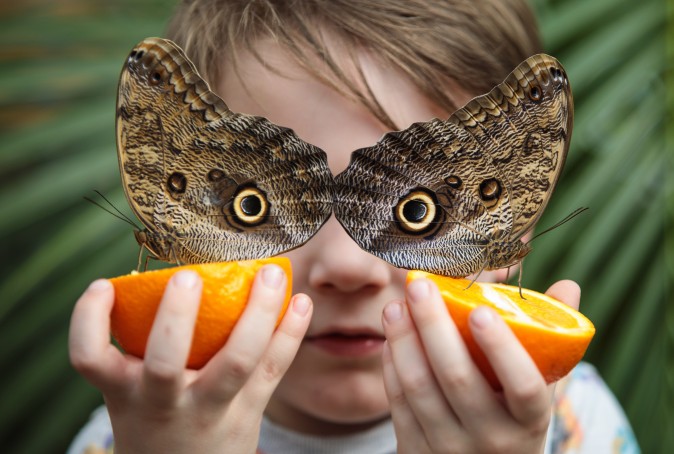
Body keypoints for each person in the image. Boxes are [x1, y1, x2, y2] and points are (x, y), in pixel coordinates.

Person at [68, 1, 639, 453]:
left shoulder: (574, 425)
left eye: (418, 210)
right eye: (265, 204)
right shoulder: (128, 438)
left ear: (514, 239)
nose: (348, 267)